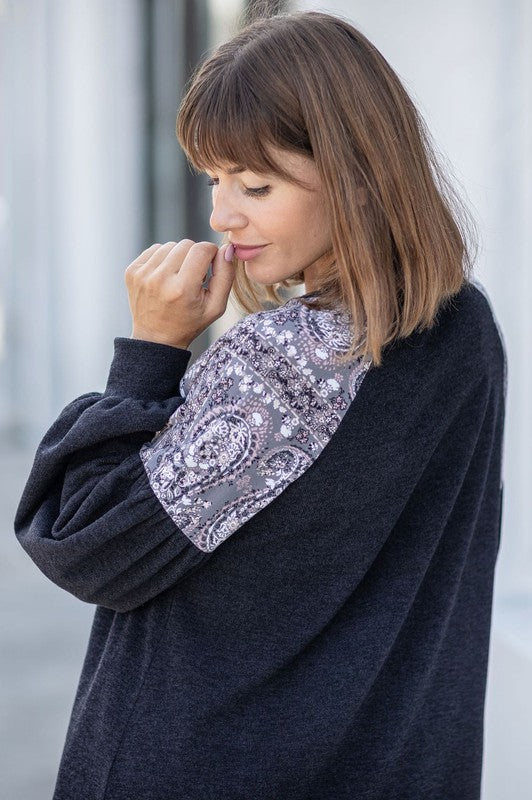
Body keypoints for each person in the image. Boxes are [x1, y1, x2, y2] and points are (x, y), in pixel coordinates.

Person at [14, 10, 507, 800]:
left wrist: (150, 353)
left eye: (256, 183)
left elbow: (87, 539)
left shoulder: (288, 359)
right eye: (214, 178)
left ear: (355, 173)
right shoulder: (462, 323)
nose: (221, 215)